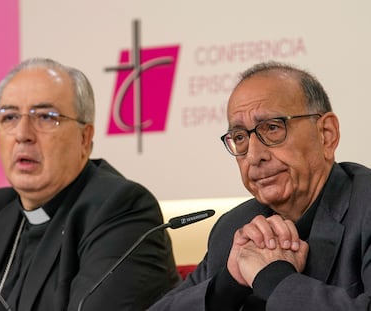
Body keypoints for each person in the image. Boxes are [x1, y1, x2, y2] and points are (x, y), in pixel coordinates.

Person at [0, 57, 180, 311]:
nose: (22, 134)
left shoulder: (122, 210)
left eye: (45, 117)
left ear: (84, 139)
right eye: (9, 117)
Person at [148, 61, 371, 310]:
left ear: (326, 134)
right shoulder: (235, 228)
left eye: (273, 128)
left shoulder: (366, 207)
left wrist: (274, 280)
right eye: (240, 137)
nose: (254, 156)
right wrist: (229, 283)